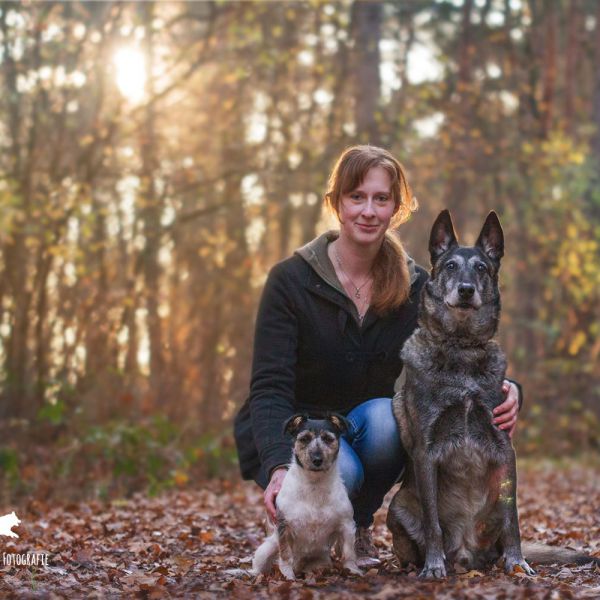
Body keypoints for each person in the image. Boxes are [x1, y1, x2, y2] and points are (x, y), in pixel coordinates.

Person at [234, 145, 522, 566]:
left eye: (381, 199)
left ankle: (358, 524)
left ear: (396, 209)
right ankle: (297, 522)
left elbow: (461, 352)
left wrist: (512, 390)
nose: (368, 211)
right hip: (305, 431)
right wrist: (279, 464)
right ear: (336, 203)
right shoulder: (290, 281)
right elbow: (268, 388)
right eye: (356, 197)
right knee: (337, 471)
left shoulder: (418, 285)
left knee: (389, 418)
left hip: (369, 425)